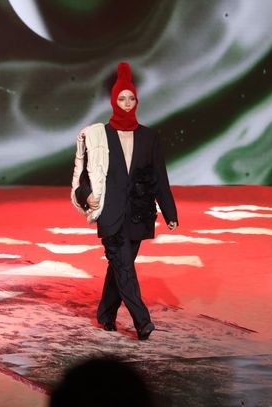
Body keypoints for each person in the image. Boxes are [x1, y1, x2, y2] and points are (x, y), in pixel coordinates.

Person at [72, 62, 178, 340]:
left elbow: (159, 178)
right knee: (124, 266)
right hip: (110, 212)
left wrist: (169, 212)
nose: (127, 103)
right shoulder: (100, 137)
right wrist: (87, 195)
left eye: (131, 98)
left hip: (139, 213)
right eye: (122, 98)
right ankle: (142, 321)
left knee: (120, 266)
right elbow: (83, 176)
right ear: (113, 101)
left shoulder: (149, 137)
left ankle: (106, 314)